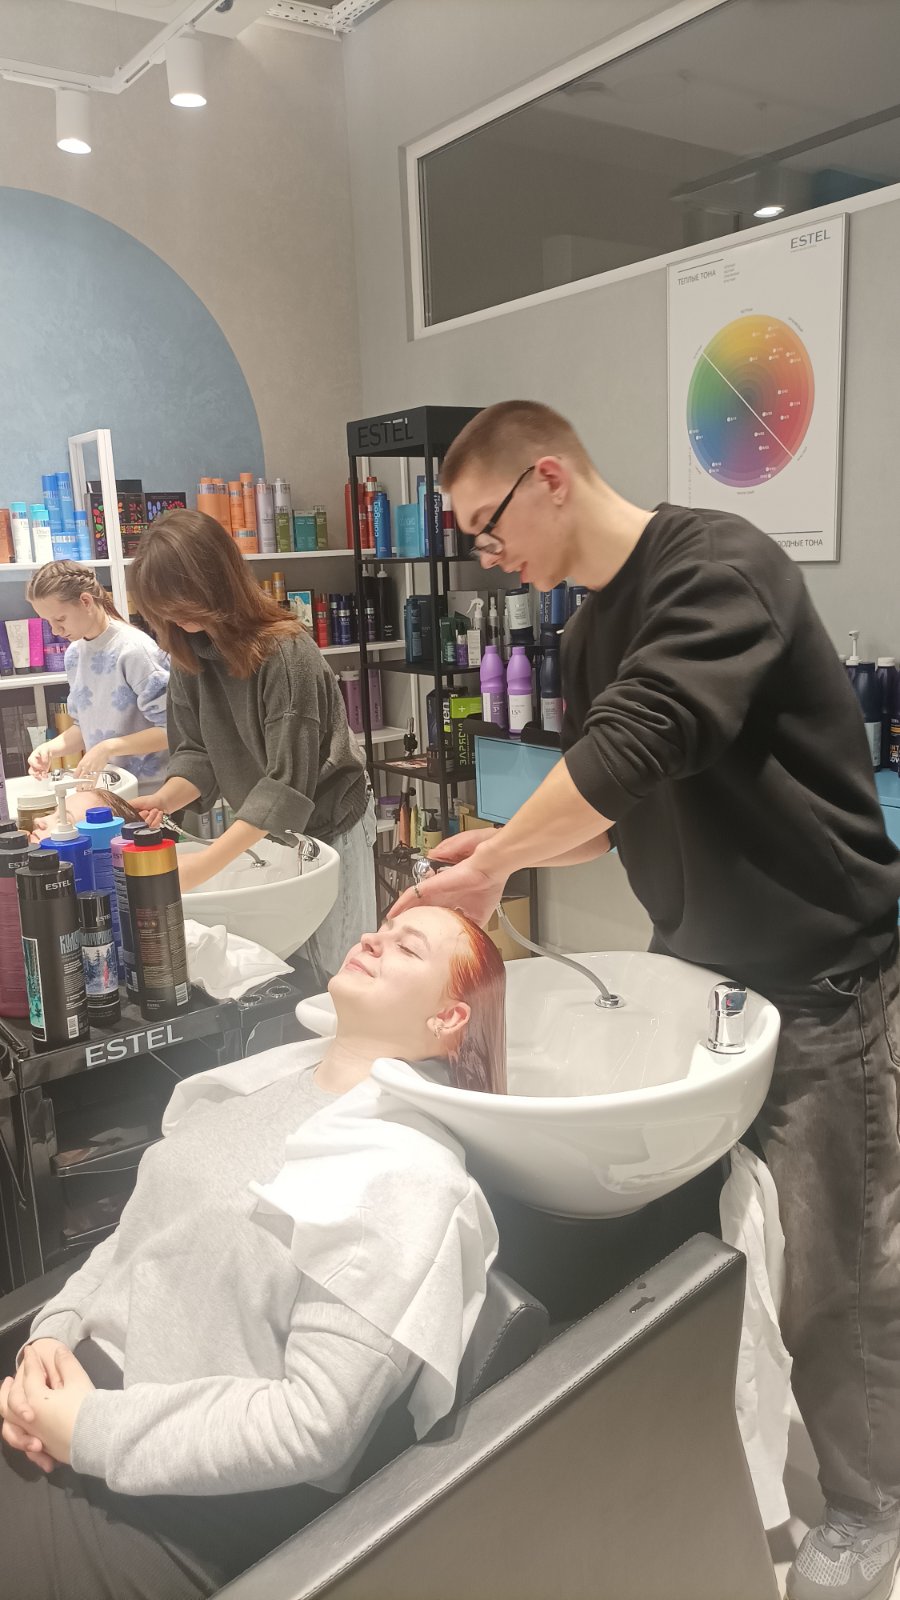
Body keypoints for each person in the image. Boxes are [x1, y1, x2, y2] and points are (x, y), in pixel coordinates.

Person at [396, 400, 900, 1600]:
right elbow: (613, 812)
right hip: (704, 983)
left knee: (835, 1267)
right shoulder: (585, 635)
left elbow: (632, 747)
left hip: (822, 981)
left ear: (549, 478)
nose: (487, 557)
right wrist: (504, 851)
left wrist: (502, 858)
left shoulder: (719, 568)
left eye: (488, 526)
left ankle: (870, 1503)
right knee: (717, 1243)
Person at [0, 906, 506, 1600]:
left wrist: (90, 1431)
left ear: (448, 1018)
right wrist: (51, 1335)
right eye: (382, 930)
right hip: (63, 1402)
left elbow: (317, 1424)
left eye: (407, 947)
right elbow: (139, 1232)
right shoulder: (262, 1084)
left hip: (169, 1507)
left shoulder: (408, 1175)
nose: (372, 940)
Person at [128, 511, 376, 982]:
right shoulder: (189, 654)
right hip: (269, 831)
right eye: (163, 609)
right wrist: (163, 799)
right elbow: (197, 753)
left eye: (182, 602)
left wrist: (200, 868)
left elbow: (287, 786)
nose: (176, 618)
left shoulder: (287, 654)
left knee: (340, 973)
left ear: (218, 580)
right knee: (286, 971)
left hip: (331, 821)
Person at [26, 562, 169, 792]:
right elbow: (85, 727)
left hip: (152, 794)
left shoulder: (135, 651)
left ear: (86, 601)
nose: (55, 631)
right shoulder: (74, 654)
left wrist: (108, 748)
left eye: (60, 619)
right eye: (48, 622)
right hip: (107, 792)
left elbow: (173, 730)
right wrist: (50, 749)